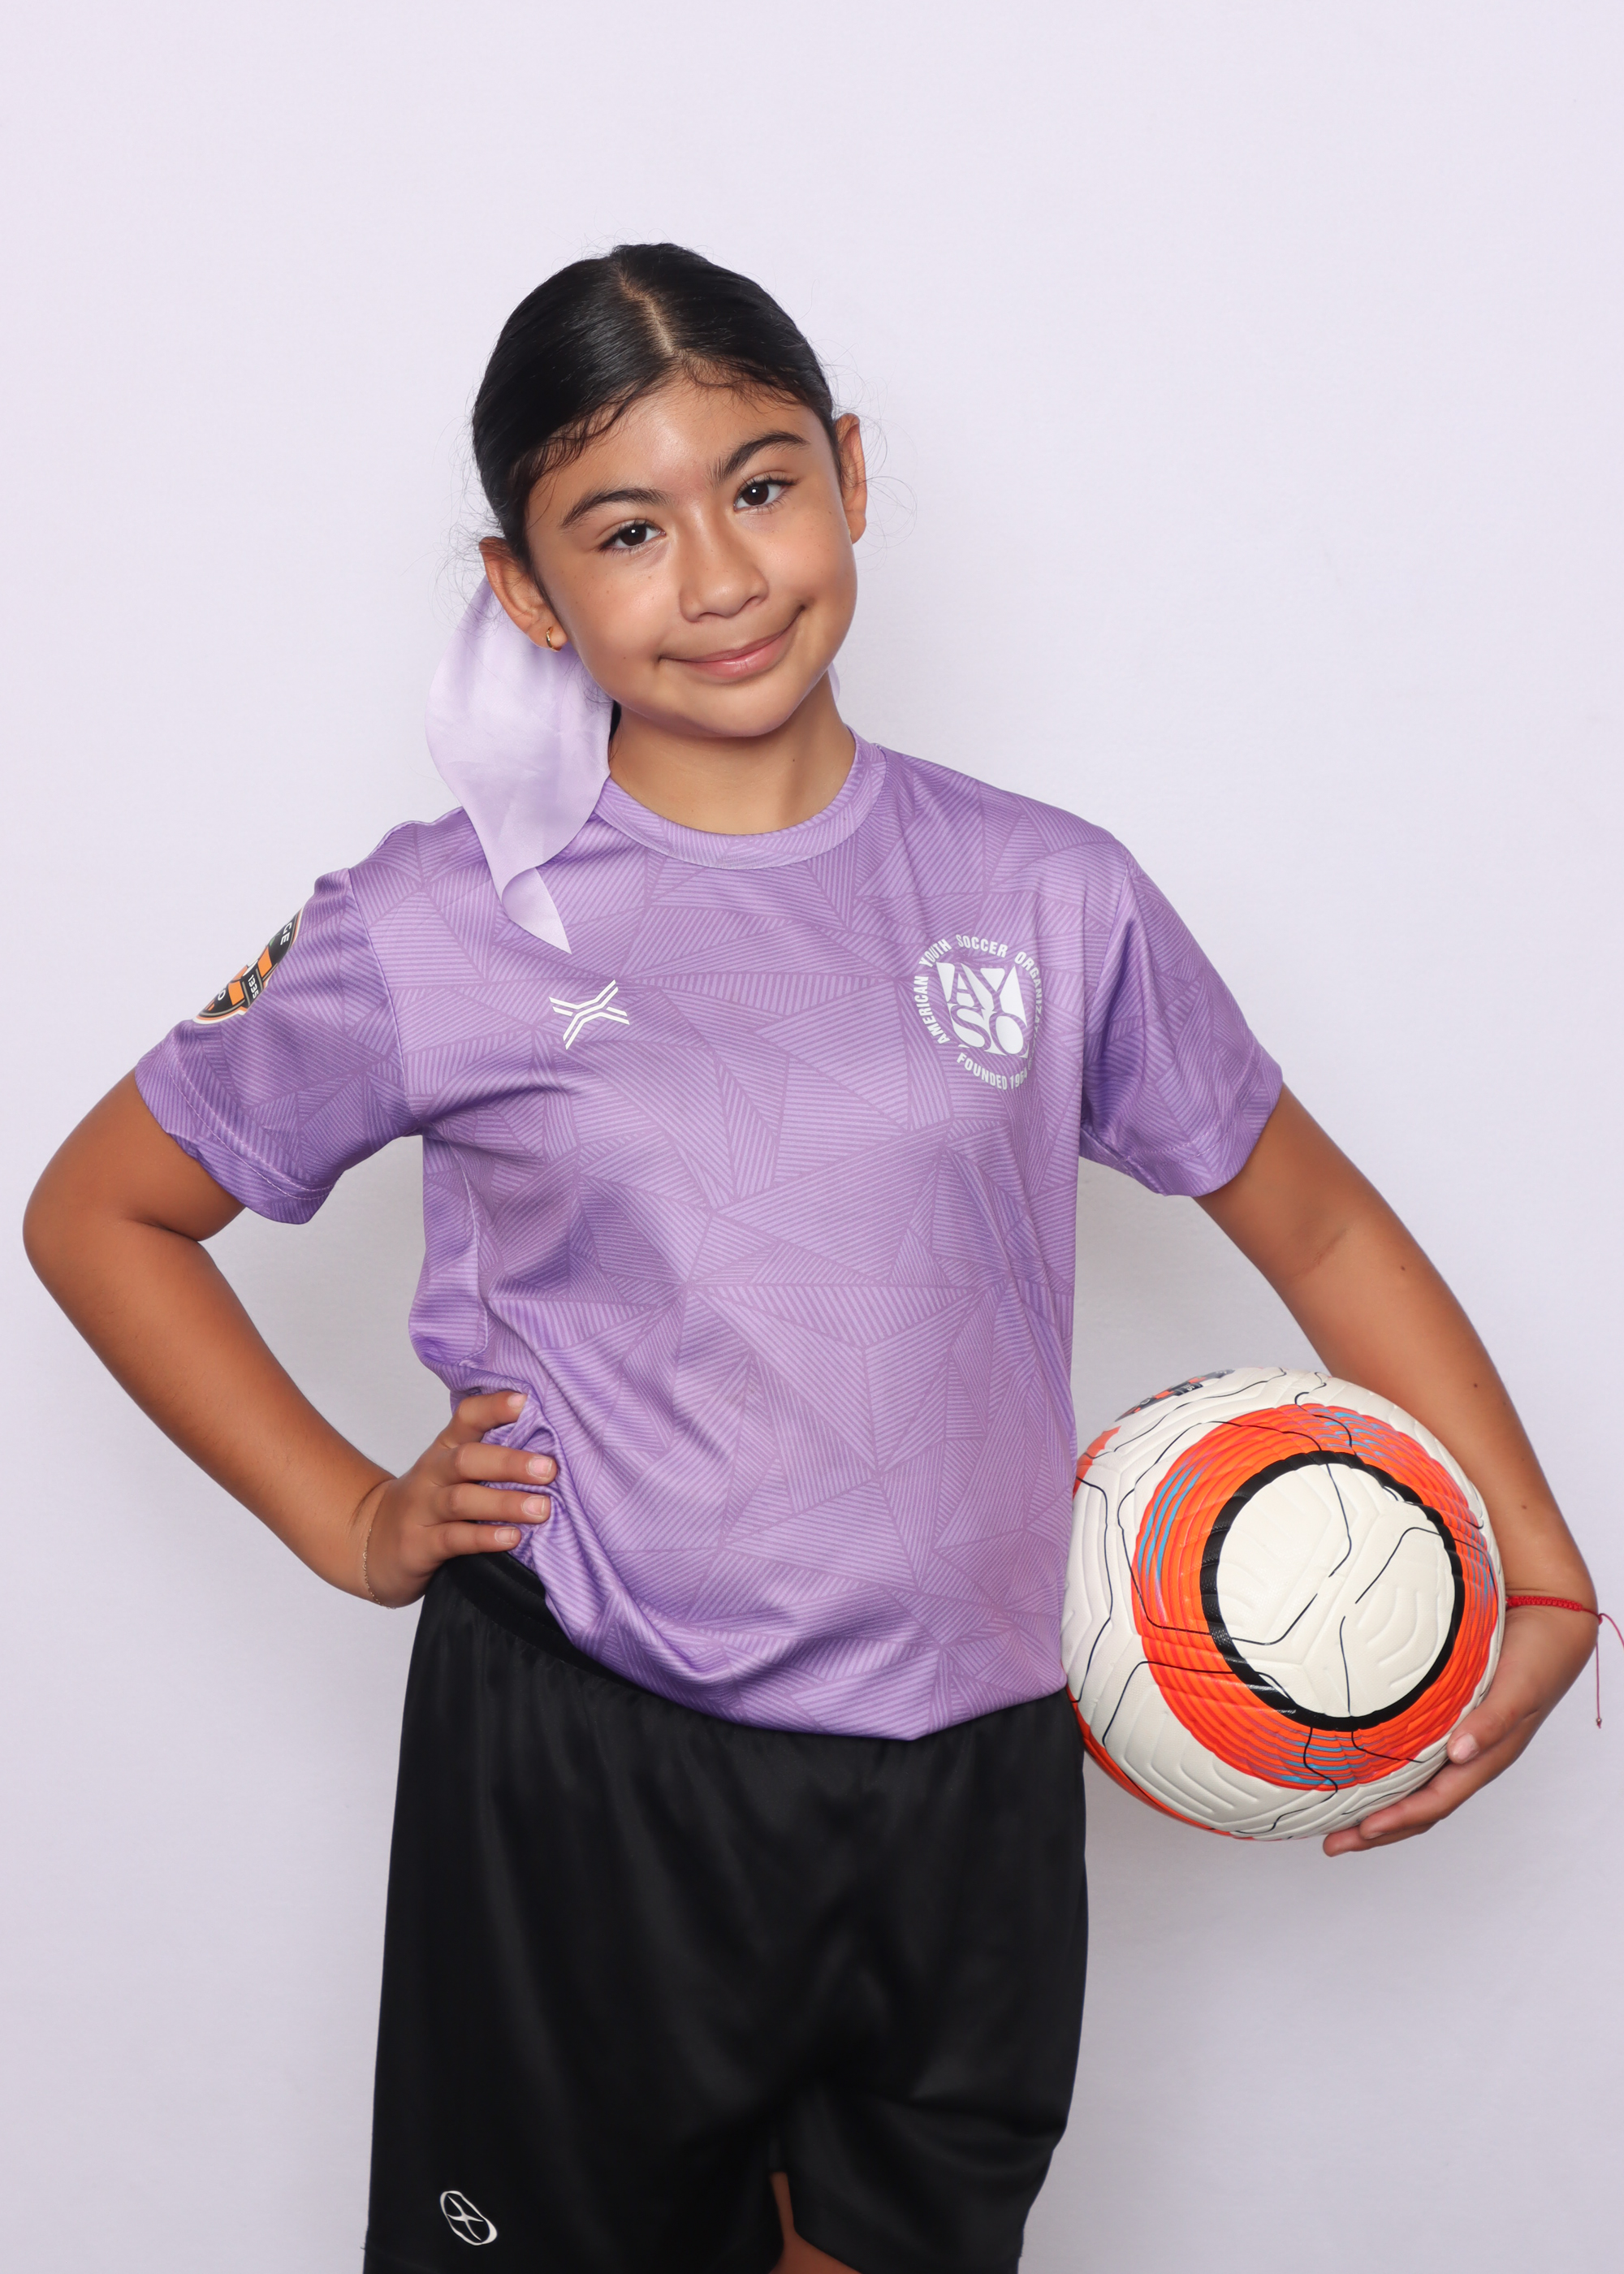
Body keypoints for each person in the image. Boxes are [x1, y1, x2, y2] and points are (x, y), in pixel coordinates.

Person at [24, 243, 1596, 2274]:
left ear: (848, 474)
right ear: (524, 588)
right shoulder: (439, 924)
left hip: (970, 1784)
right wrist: (349, 1514)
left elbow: (1315, 1216)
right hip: (594, 1758)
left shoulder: (1048, 891)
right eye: (625, 528)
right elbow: (102, 1208)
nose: (719, 574)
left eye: (759, 486)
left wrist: (1537, 1563)